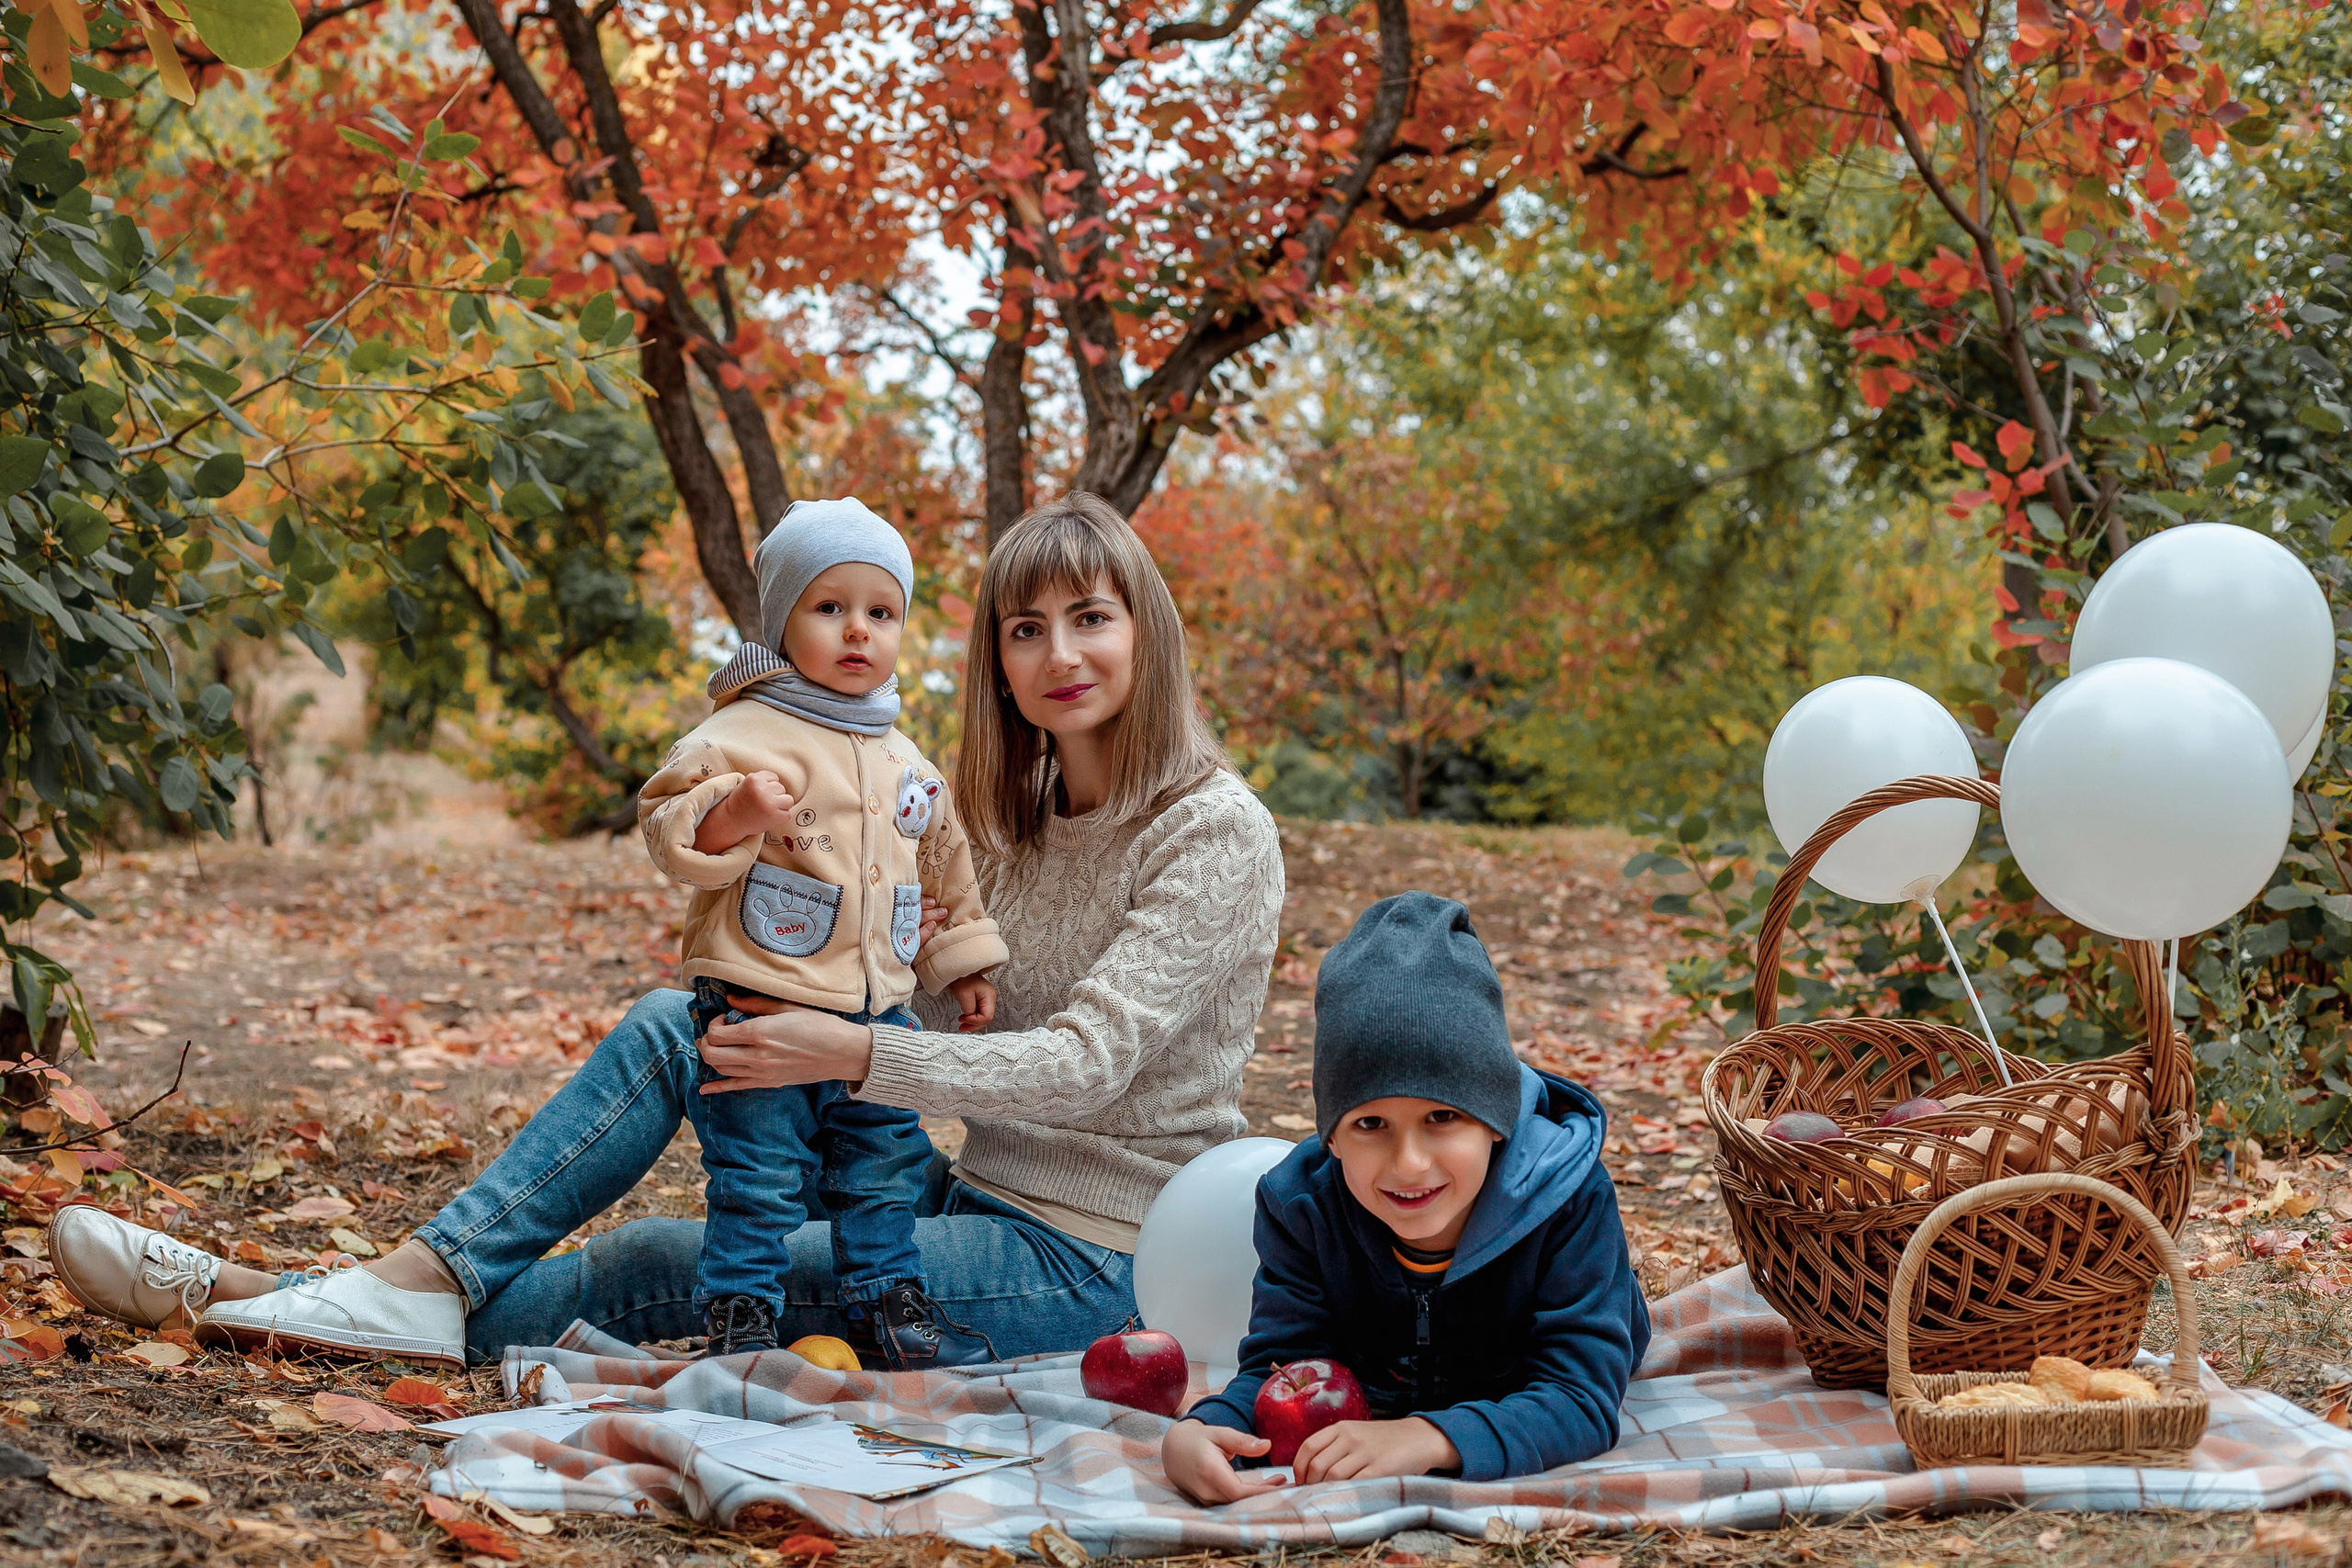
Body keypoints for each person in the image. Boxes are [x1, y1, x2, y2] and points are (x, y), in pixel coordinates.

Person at [47, 493, 1283, 1372]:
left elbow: (1087, 1065)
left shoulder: (1213, 831)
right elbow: (887, 962)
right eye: (1025, 628)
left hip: (1091, 1253)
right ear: (995, 660)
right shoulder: (989, 817)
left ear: (1145, 632)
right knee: (673, 1024)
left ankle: (283, 1296)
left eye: (1091, 616)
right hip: (953, 1185)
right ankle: (352, 1291)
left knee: (647, 1261)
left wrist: (848, 1054)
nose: (1059, 651)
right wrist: (774, 906)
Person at [637, 496, 1006, 1365]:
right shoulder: (743, 729)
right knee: (759, 1177)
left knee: (885, 1167)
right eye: (829, 607)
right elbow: (663, 817)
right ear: (783, 621)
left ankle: (888, 1301)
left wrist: (960, 963)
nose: (857, 632)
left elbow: (943, 858)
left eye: (880, 613)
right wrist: (730, 813)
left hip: (880, 1021)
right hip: (760, 1007)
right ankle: (740, 1312)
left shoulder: (903, 754)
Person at [1162, 892, 1649, 1500]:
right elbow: (1284, 1364)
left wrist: (1425, 1436)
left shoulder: (1568, 1197)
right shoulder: (1301, 1208)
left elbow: (1580, 1395)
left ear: (1494, 1121)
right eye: (1371, 1124)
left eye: (1442, 1116)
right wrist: (1208, 1425)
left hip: (1531, 1367)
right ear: (1333, 1136)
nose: (1409, 1162)